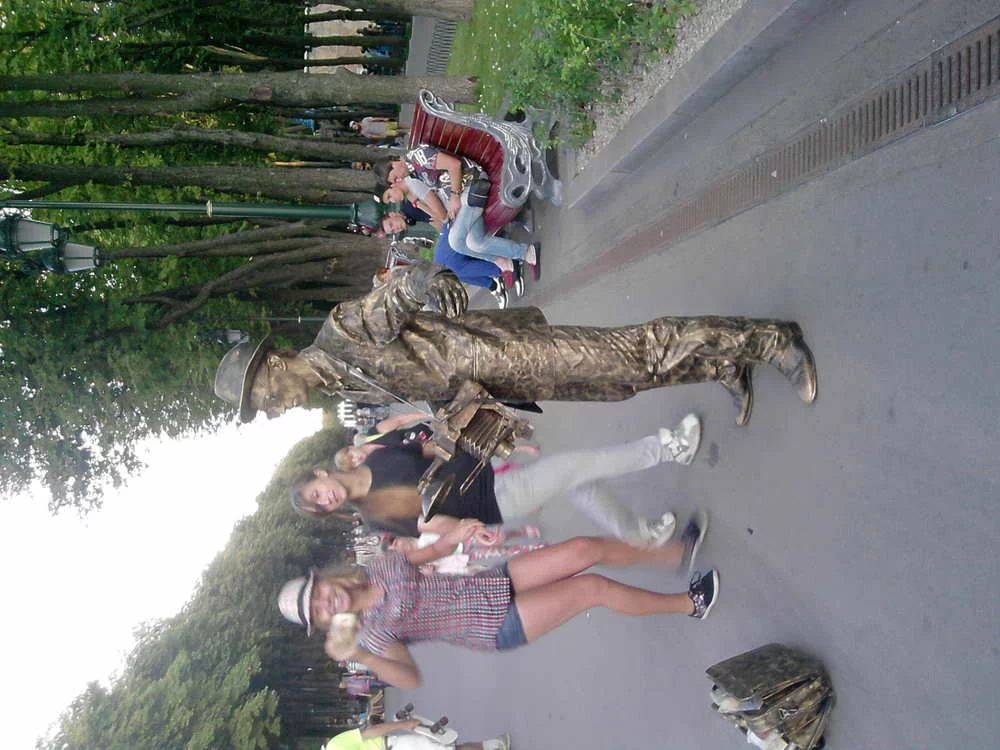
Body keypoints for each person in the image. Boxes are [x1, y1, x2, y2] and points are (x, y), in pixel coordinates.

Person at [215, 262, 817, 427]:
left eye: (265, 398)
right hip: (501, 383)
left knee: (632, 352)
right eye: (266, 409)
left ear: (275, 363)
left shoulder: (340, 336)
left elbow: (398, 292)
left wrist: (431, 279)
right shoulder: (344, 387)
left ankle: (768, 340)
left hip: (505, 353)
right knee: (621, 383)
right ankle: (721, 364)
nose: (274, 409)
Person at [278, 513, 718, 689]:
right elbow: (411, 679)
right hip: (492, 625)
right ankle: (690, 604)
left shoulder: (380, 567)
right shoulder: (373, 634)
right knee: (591, 588)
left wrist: (461, 532)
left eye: (317, 595)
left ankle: (674, 553)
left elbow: (433, 551)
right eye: (317, 612)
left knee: (585, 548)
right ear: (324, 622)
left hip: (493, 582)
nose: (325, 603)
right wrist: (360, 656)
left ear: (323, 581)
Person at [289, 418, 701, 548]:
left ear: (321, 475)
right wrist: (466, 528)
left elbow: (432, 448)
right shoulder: (373, 514)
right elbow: (426, 524)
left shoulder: (377, 454)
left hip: (485, 469)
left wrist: (494, 441)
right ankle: (669, 449)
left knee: (581, 484)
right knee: (582, 466)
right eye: (320, 505)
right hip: (492, 500)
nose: (326, 499)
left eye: (317, 493)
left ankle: (641, 535)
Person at [375, 150, 539, 272]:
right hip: (462, 199)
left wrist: (454, 196)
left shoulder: (417, 156)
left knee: (455, 240)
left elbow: (455, 165)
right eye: (394, 181)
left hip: (472, 184)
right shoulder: (412, 175)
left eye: (394, 177)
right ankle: (513, 256)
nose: (398, 181)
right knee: (471, 243)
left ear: (394, 163)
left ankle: (515, 256)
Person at [324, 720, 508, 750]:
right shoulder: (334, 745)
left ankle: (492, 746)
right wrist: (402, 725)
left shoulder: (335, 746)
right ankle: (494, 746)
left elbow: (369, 733)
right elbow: (370, 732)